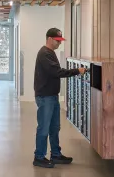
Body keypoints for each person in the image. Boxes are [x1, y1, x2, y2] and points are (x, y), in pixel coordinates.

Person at [33, 28, 86, 169]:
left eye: (60, 41)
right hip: (45, 97)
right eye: (57, 41)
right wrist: (77, 71)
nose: (59, 44)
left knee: (54, 127)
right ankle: (39, 157)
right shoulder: (44, 54)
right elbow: (56, 72)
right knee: (44, 128)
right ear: (49, 39)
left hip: (52, 96)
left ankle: (55, 154)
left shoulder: (50, 53)